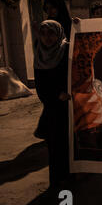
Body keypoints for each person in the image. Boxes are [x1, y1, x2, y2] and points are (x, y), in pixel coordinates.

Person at [33, 20, 70, 188]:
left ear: (59, 33)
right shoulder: (40, 54)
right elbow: (41, 88)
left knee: (71, 144)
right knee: (55, 146)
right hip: (53, 108)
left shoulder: (67, 49)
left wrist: (81, 26)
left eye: (51, 33)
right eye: (43, 33)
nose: (47, 37)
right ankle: (57, 183)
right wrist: (57, 96)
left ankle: (71, 178)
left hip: (71, 106)